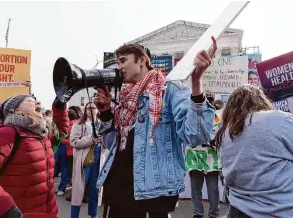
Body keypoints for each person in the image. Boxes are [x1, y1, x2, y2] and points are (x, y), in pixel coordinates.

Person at [93, 38, 217, 218]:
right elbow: (112, 143)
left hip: (150, 196)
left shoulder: (170, 90)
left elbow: (196, 135)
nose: (119, 67)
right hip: (117, 192)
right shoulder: (126, 98)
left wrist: (196, 82)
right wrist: (105, 114)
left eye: (123, 60)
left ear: (142, 60)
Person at [0, 94, 69, 217]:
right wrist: (7, 209)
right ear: (16, 110)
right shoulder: (8, 132)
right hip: (21, 213)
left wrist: (59, 106)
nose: (38, 102)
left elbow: (61, 132)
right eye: (31, 101)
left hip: (46, 212)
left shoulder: (41, 134)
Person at [215, 84, 293, 218]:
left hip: (238, 210)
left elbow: (226, 176)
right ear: (261, 100)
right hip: (280, 210)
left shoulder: (224, 133)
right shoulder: (281, 120)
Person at [70, 102, 106, 218]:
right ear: (85, 110)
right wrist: (91, 140)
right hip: (84, 161)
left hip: (99, 160)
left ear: (97, 109)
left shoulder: (102, 124)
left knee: (95, 190)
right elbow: (74, 142)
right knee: (78, 191)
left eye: (93, 108)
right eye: (88, 108)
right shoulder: (79, 124)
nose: (91, 110)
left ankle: (93, 215)